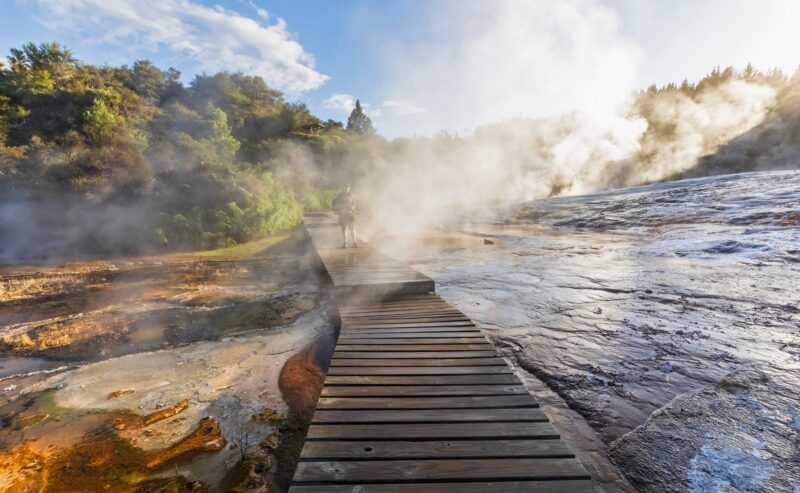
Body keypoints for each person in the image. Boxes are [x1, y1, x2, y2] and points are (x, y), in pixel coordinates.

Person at [332, 183, 358, 248]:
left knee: (352, 228)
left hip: (350, 214)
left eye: (348, 187)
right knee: (344, 229)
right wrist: (340, 209)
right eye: (345, 187)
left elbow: (354, 204)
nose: (346, 188)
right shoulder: (339, 195)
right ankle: (345, 243)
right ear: (342, 188)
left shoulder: (351, 195)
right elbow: (336, 204)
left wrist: (353, 209)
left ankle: (354, 242)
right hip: (342, 214)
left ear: (349, 188)